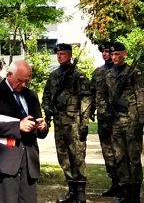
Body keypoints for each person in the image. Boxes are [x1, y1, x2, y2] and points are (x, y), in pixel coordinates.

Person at [0, 59, 49, 203]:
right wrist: (18, 126)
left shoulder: (31, 95)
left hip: (29, 159)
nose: (23, 85)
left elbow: (39, 124)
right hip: (6, 160)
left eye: (27, 81)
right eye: (20, 80)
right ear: (9, 74)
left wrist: (42, 127)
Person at [95, 42, 144, 202]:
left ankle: (135, 192)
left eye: (118, 54)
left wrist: (140, 120)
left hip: (131, 120)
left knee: (134, 158)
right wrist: (104, 114)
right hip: (115, 121)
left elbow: (141, 97)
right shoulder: (108, 74)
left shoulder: (134, 73)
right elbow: (101, 95)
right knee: (119, 157)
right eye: (112, 55)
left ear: (124, 54)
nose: (115, 57)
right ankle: (125, 190)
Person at [42, 43, 90, 203]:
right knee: (63, 157)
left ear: (70, 55)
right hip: (59, 123)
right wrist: (47, 108)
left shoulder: (78, 76)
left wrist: (84, 122)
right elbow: (46, 96)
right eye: (58, 54)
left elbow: (86, 100)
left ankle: (81, 191)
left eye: (63, 53)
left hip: (74, 123)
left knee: (77, 156)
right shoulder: (54, 76)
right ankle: (71, 189)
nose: (60, 56)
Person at [88, 41, 121, 197]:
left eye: (108, 51)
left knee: (121, 153)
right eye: (103, 51)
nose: (105, 54)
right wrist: (90, 112)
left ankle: (124, 185)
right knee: (108, 153)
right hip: (103, 120)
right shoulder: (98, 72)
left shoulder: (121, 71)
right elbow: (92, 95)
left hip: (119, 119)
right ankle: (114, 182)